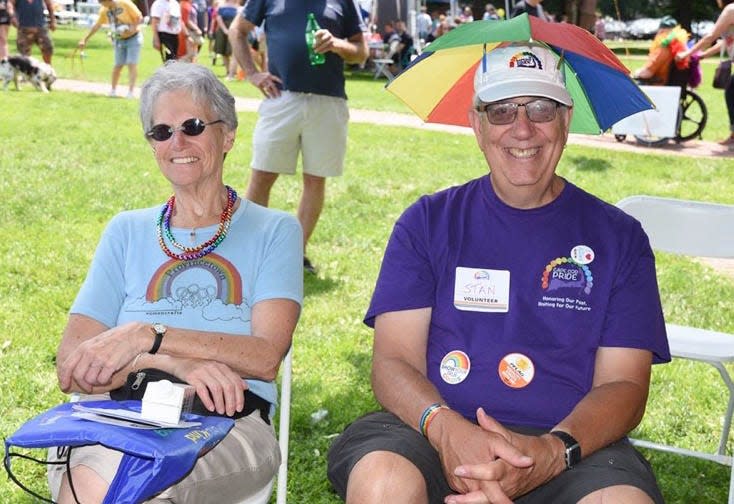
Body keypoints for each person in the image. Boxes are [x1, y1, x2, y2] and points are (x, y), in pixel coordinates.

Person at [327, 42, 670, 504]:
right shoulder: (427, 222)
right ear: (477, 124)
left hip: (570, 446)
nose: (523, 128)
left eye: (541, 109)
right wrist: (447, 430)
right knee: (383, 484)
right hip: (431, 425)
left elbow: (624, 385)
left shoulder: (620, 238)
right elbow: (393, 362)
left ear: (565, 122)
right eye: (502, 110)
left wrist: (551, 451)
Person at [49, 61, 303, 503]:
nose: (177, 142)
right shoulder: (126, 230)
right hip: (116, 414)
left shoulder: (274, 231)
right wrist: (174, 364)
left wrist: (144, 336)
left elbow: (263, 358)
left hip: (228, 424)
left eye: (192, 125)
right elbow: (72, 366)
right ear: (152, 146)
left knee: (117, 482)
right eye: (161, 131)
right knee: (107, 476)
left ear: (227, 136)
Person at [229, 1, 368, 275]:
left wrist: (337, 44)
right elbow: (237, 30)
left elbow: (361, 52)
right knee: (262, 175)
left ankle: (295, 255)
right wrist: (253, 74)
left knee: (315, 179)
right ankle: (250, 252)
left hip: (328, 101)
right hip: (282, 97)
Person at [676, 0, 734, 146]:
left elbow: (711, 37)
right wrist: (702, 55)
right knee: (731, 92)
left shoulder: (730, 10)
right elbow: (724, 42)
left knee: (731, 93)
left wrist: (687, 53)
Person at [78, 0, 143, 99]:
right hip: (119, 39)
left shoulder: (125, 3)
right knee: (118, 65)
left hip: (133, 38)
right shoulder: (104, 10)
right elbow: (97, 25)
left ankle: (131, 92)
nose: (101, 4)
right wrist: (85, 39)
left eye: (102, 2)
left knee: (132, 63)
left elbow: (139, 17)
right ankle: (113, 90)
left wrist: (132, 29)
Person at [633, 16, 689, 86]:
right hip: (669, 84)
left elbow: (647, 73)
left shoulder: (664, 48)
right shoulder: (680, 46)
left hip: (657, 86)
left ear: (661, 30)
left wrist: (636, 73)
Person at [8, 0, 55, 64]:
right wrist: (12, 17)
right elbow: (10, 4)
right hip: (24, 29)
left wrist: (52, 21)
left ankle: (48, 68)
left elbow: (49, 5)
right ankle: (26, 71)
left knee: (48, 48)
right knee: (24, 55)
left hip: (41, 28)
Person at [213, 0, 239, 79]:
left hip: (234, 30)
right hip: (222, 30)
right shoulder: (221, 5)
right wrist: (225, 30)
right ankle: (228, 71)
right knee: (223, 52)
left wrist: (231, 31)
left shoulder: (238, 6)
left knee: (233, 52)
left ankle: (233, 73)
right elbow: (218, 18)